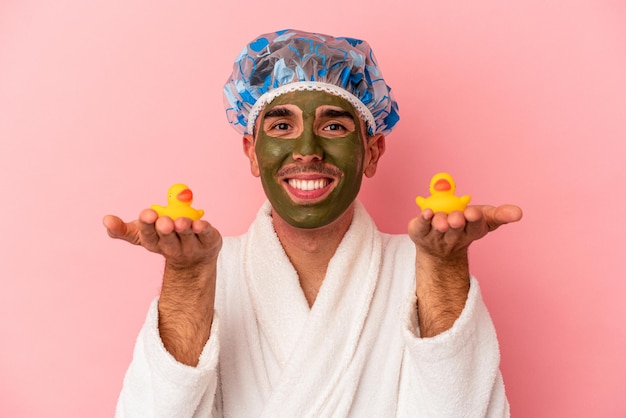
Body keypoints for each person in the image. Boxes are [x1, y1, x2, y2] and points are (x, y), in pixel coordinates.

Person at [104, 29, 522, 417]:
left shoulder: (426, 269)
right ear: (252, 152)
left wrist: (446, 267)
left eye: (334, 125)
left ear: (372, 152)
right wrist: (186, 277)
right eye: (283, 125)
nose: (307, 150)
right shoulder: (207, 268)